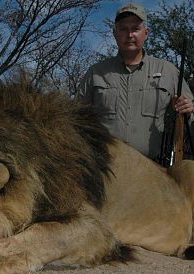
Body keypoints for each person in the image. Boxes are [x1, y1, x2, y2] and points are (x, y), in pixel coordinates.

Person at [78, 2, 194, 160]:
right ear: (114, 33)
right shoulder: (95, 73)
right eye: (123, 29)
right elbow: (77, 119)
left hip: (153, 171)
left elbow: (190, 117)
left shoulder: (169, 71)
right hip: (105, 170)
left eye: (135, 29)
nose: (129, 34)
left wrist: (188, 110)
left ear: (146, 33)